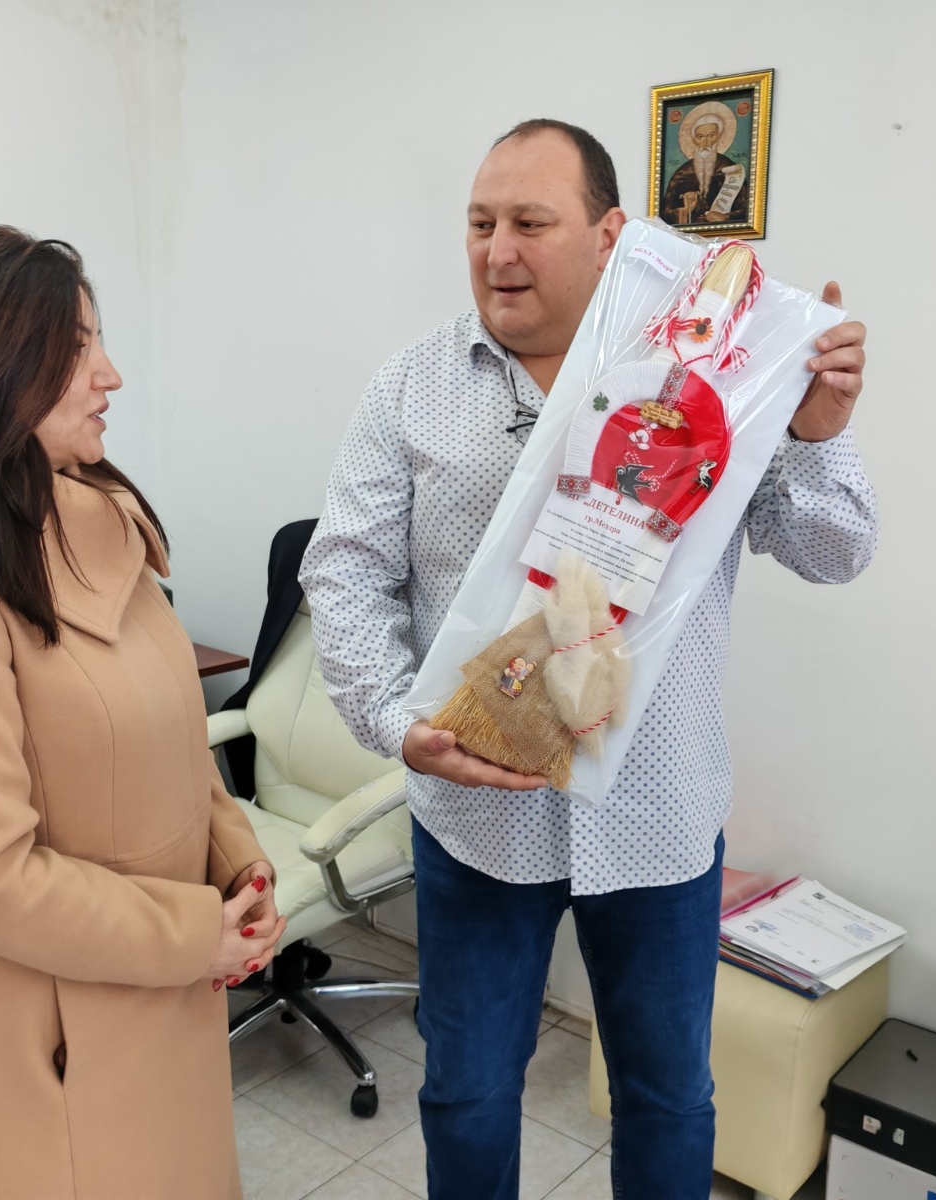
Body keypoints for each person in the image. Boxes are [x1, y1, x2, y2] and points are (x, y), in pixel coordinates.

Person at [300, 119, 875, 1198]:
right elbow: (344, 570)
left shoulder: (719, 375)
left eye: (529, 222)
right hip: (476, 817)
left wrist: (816, 430)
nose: (497, 251)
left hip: (657, 818)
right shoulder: (411, 385)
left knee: (668, 1095)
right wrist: (393, 724)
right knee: (467, 1090)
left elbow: (835, 551)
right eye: (479, 223)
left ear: (612, 236)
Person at [0, 227, 288, 1199]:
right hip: (34, 1043)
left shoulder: (103, 525)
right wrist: (192, 933)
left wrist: (238, 868)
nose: (110, 374)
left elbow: (173, 740)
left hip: (163, 992)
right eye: (75, 349)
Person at [661, 103, 749, 226]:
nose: (705, 142)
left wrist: (726, 217)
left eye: (711, 136)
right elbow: (664, 215)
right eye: (700, 136)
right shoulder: (682, 173)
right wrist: (685, 211)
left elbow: (747, 210)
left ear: (719, 136)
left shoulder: (732, 171)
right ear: (694, 139)